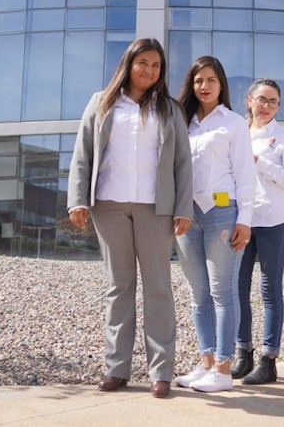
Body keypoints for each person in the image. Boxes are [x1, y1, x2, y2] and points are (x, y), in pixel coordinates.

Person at [66, 38, 192, 399]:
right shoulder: (101, 102)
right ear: (129, 63)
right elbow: (82, 154)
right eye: (144, 63)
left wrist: (183, 207)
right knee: (118, 286)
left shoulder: (169, 108)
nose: (150, 71)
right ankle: (116, 367)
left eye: (156, 66)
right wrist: (77, 199)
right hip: (109, 204)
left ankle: (161, 371)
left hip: (156, 208)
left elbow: (183, 162)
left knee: (157, 287)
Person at [173, 56, 258, 393]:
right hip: (186, 213)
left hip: (223, 212)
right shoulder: (183, 122)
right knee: (198, 293)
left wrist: (246, 221)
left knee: (223, 292)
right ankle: (206, 363)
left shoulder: (234, 123)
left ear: (221, 84)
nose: (204, 86)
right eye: (198, 81)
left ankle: (223, 369)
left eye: (210, 80)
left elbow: (245, 175)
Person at [231, 79, 284, 385]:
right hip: (241, 221)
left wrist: (262, 164)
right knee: (237, 289)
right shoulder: (237, 133)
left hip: (272, 221)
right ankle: (243, 354)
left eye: (273, 102)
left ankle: (268, 359)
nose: (266, 106)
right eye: (261, 100)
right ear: (249, 100)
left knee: (269, 291)